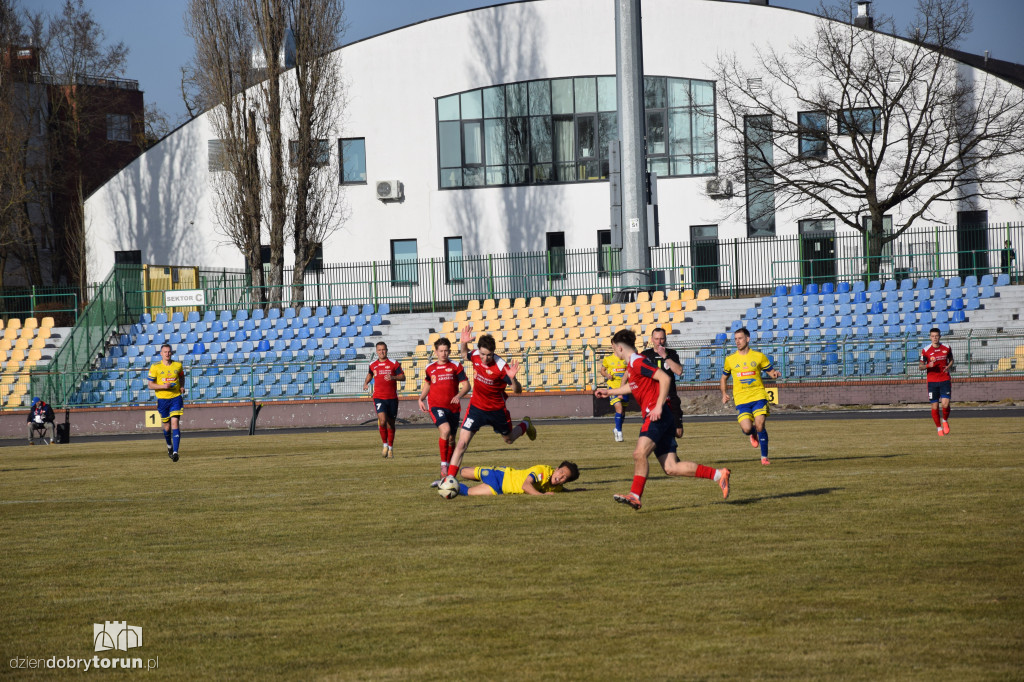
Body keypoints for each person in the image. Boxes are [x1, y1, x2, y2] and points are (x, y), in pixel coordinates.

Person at [596, 329, 730, 511]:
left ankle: (635, 495)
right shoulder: (633, 364)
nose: (613, 352)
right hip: (661, 415)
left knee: (639, 454)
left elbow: (664, 378)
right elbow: (634, 386)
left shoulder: (637, 361)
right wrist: (609, 392)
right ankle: (718, 475)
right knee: (671, 467)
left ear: (618, 348)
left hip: (656, 414)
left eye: (613, 349)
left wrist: (658, 406)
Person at [440, 324, 536, 482]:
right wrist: (463, 342)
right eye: (483, 354)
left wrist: (513, 379)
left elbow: (517, 390)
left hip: (497, 410)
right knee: (461, 444)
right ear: (479, 351)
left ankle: (526, 424)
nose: (485, 358)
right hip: (476, 408)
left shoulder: (500, 367)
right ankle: (449, 480)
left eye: (489, 355)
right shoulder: (476, 355)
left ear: (494, 353)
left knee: (509, 439)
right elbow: (465, 355)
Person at [721, 327, 782, 465]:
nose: (737, 341)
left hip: (758, 395)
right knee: (747, 428)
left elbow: (770, 372)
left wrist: (775, 374)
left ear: (747, 339)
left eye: (740, 338)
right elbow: (723, 378)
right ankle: (753, 433)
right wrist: (724, 394)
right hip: (741, 399)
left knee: (760, 424)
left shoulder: (759, 356)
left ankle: (764, 457)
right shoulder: (730, 359)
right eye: (735, 339)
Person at [418, 337, 471, 481]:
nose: (443, 353)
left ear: (449, 351)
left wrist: (459, 395)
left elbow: (467, 386)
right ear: (436, 352)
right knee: (445, 430)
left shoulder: (456, 366)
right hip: (436, 405)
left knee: (452, 438)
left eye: (446, 351)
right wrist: (421, 398)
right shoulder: (430, 368)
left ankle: (448, 469)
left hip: (453, 407)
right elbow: (428, 384)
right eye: (441, 351)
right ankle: (443, 465)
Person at [363, 341, 406, 458]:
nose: (381, 352)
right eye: (379, 350)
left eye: (383, 349)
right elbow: (370, 374)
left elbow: (403, 376)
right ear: (376, 351)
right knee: (382, 421)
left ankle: (391, 448)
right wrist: (366, 382)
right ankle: (385, 445)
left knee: (391, 424)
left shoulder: (394, 363)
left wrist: (393, 377)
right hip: (378, 397)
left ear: (386, 350)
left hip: (392, 398)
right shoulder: (373, 364)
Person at [446, 461, 580, 497]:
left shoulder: (557, 486)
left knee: (467, 492)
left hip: (499, 488)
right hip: (500, 475)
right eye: (561, 472)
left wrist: (575, 490)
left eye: (564, 478)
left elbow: (562, 489)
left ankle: (445, 485)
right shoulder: (542, 471)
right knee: (463, 472)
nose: (560, 478)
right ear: (556, 469)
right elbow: (526, 486)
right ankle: (476, 475)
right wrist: (541, 495)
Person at [641, 327, 685, 438]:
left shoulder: (672, 354)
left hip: (671, 397)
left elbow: (679, 371)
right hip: (653, 399)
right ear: (651, 339)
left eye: (661, 339)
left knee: (678, 433)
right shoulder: (645, 355)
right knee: (654, 431)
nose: (659, 342)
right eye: (656, 339)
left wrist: (665, 356)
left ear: (665, 339)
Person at [148, 343, 185, 462]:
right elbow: (150, 385)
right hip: (163, 400)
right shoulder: (155, 367)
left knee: (175, 423)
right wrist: (163, 386)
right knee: (167, 427)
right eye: (165, 352)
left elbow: (181, 376)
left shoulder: (178, 365)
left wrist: (182, 386)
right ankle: (169, 447)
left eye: (169, 351)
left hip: (176, 398)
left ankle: (175, 452)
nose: (167, 354)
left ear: (171, 353)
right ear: (161, 353)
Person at [919, 327, 955, 436]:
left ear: (939, 336)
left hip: (945, 379)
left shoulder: (947, 347)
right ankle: (939, 428)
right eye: (933, 336)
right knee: (934, 406)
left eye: (937, 336)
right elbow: (920, 366)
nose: (935, 338)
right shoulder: (926, 350)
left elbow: (951, 360)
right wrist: (927, 365)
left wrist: (948, 366)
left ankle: (944, 421)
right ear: (930, 337)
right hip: (932, 382)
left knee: (945, 404)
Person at [599, 351, 630, 442]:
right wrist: (607, 375)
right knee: (619, 408)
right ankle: (619, 432)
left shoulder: (625, 359)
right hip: (612, 387)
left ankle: (617, 428)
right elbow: (602, 370)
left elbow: (629, 370)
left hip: (624, 387)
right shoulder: (608, 359)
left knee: (623, 411)